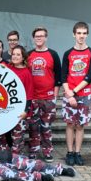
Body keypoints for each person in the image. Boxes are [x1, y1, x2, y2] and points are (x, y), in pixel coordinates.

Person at [61, 22, 91, 166]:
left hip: (84, 94)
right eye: (79, 33)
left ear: (87, 34)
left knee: (81, 125)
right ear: (74, 34)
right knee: (70, 124)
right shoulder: (68, 53)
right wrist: (69, 95)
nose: (81, 36)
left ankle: (77, 152)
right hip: (69, 93)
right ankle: (69, 153)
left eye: (84, 33)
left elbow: (89, 77)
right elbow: (63, 76)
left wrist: (74, 93)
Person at [27, 27, 62, 162]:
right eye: (37, 36)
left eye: (42, 36)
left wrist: (54, 96)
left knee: (46, 127)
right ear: (34, 38)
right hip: (33, 98)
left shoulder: (53, 54)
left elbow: (58, 76)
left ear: (46, 38)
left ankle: (47, 151)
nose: (39, 38)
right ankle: (33, 151)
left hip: (48, 98)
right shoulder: (29, 54)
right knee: (33, 126)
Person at [7, 45, 33, 155]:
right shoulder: (7, 68)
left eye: (18, 55)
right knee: (5, 137)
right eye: (13, 54)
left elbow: (29, 94)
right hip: (6, 109)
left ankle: (18, 160)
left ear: (23, 58)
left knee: (17, 139)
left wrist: (25, 111)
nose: (15, 56)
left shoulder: (26, 73)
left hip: (20, 112)